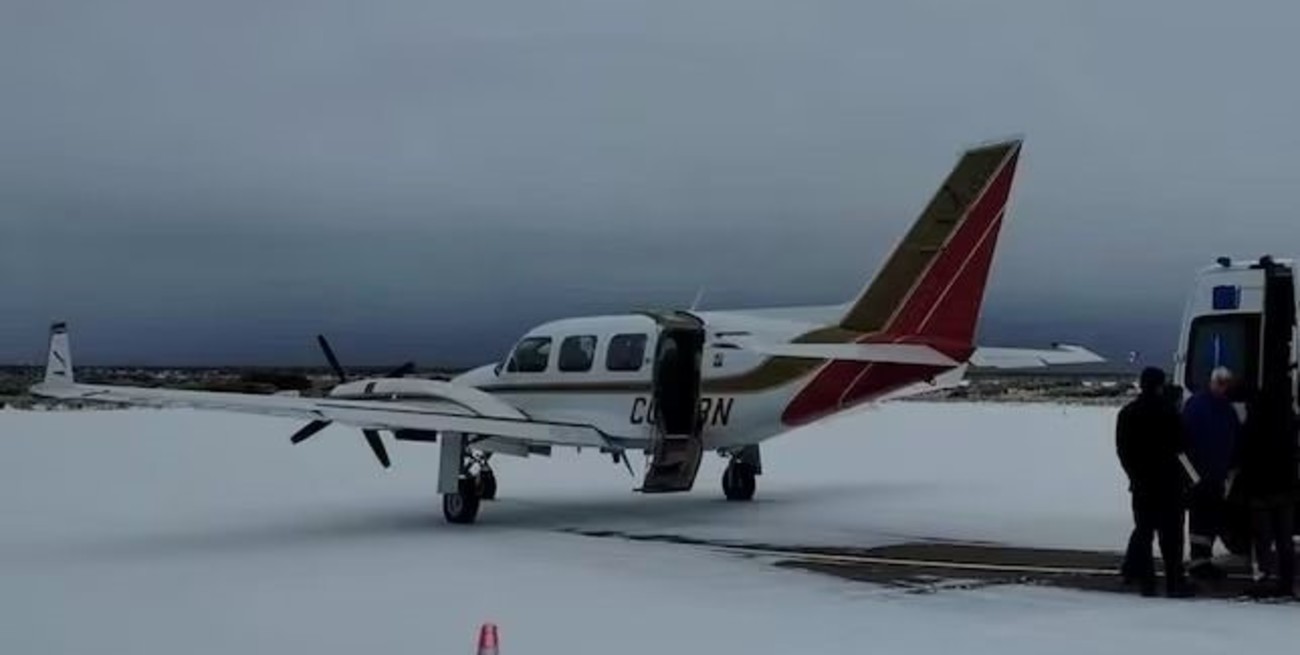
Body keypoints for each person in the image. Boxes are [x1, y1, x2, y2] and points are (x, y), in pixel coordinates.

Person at [1117, 367, 1195, 597]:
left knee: (1144, 534)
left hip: (1142, 486)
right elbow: (1182, 450)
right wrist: (1192, 479)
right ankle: (1174, 582)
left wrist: (1134, 476)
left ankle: (1147, 584)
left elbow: (1123, 451)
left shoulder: (1127, 413)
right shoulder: (1169, 413)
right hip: (1170, 486)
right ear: (1160, 385)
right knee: (1171, 539)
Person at [1234, 386, 1297, 599]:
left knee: (1262, 539)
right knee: (1285, 540)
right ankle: (1287, 582)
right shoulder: (1290, 423)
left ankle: (1263, 579)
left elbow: (1242, 456)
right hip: (1285, 491)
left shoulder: (1251, 425)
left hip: (1259, 492)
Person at [1180, 367, 1240, 579]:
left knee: (1212, 520)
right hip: (1198, 476)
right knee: (1199, 519)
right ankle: (1198, 561)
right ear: (1212, 382)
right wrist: (1192, 476)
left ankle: (1204, 560)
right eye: (1221, 383)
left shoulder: (1227, 409)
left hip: (1218, 475)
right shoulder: (1196, 405)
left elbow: (1235, 438)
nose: (1224, 387)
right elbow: (1183, 442)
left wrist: (1231, 467)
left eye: (1227, 383)